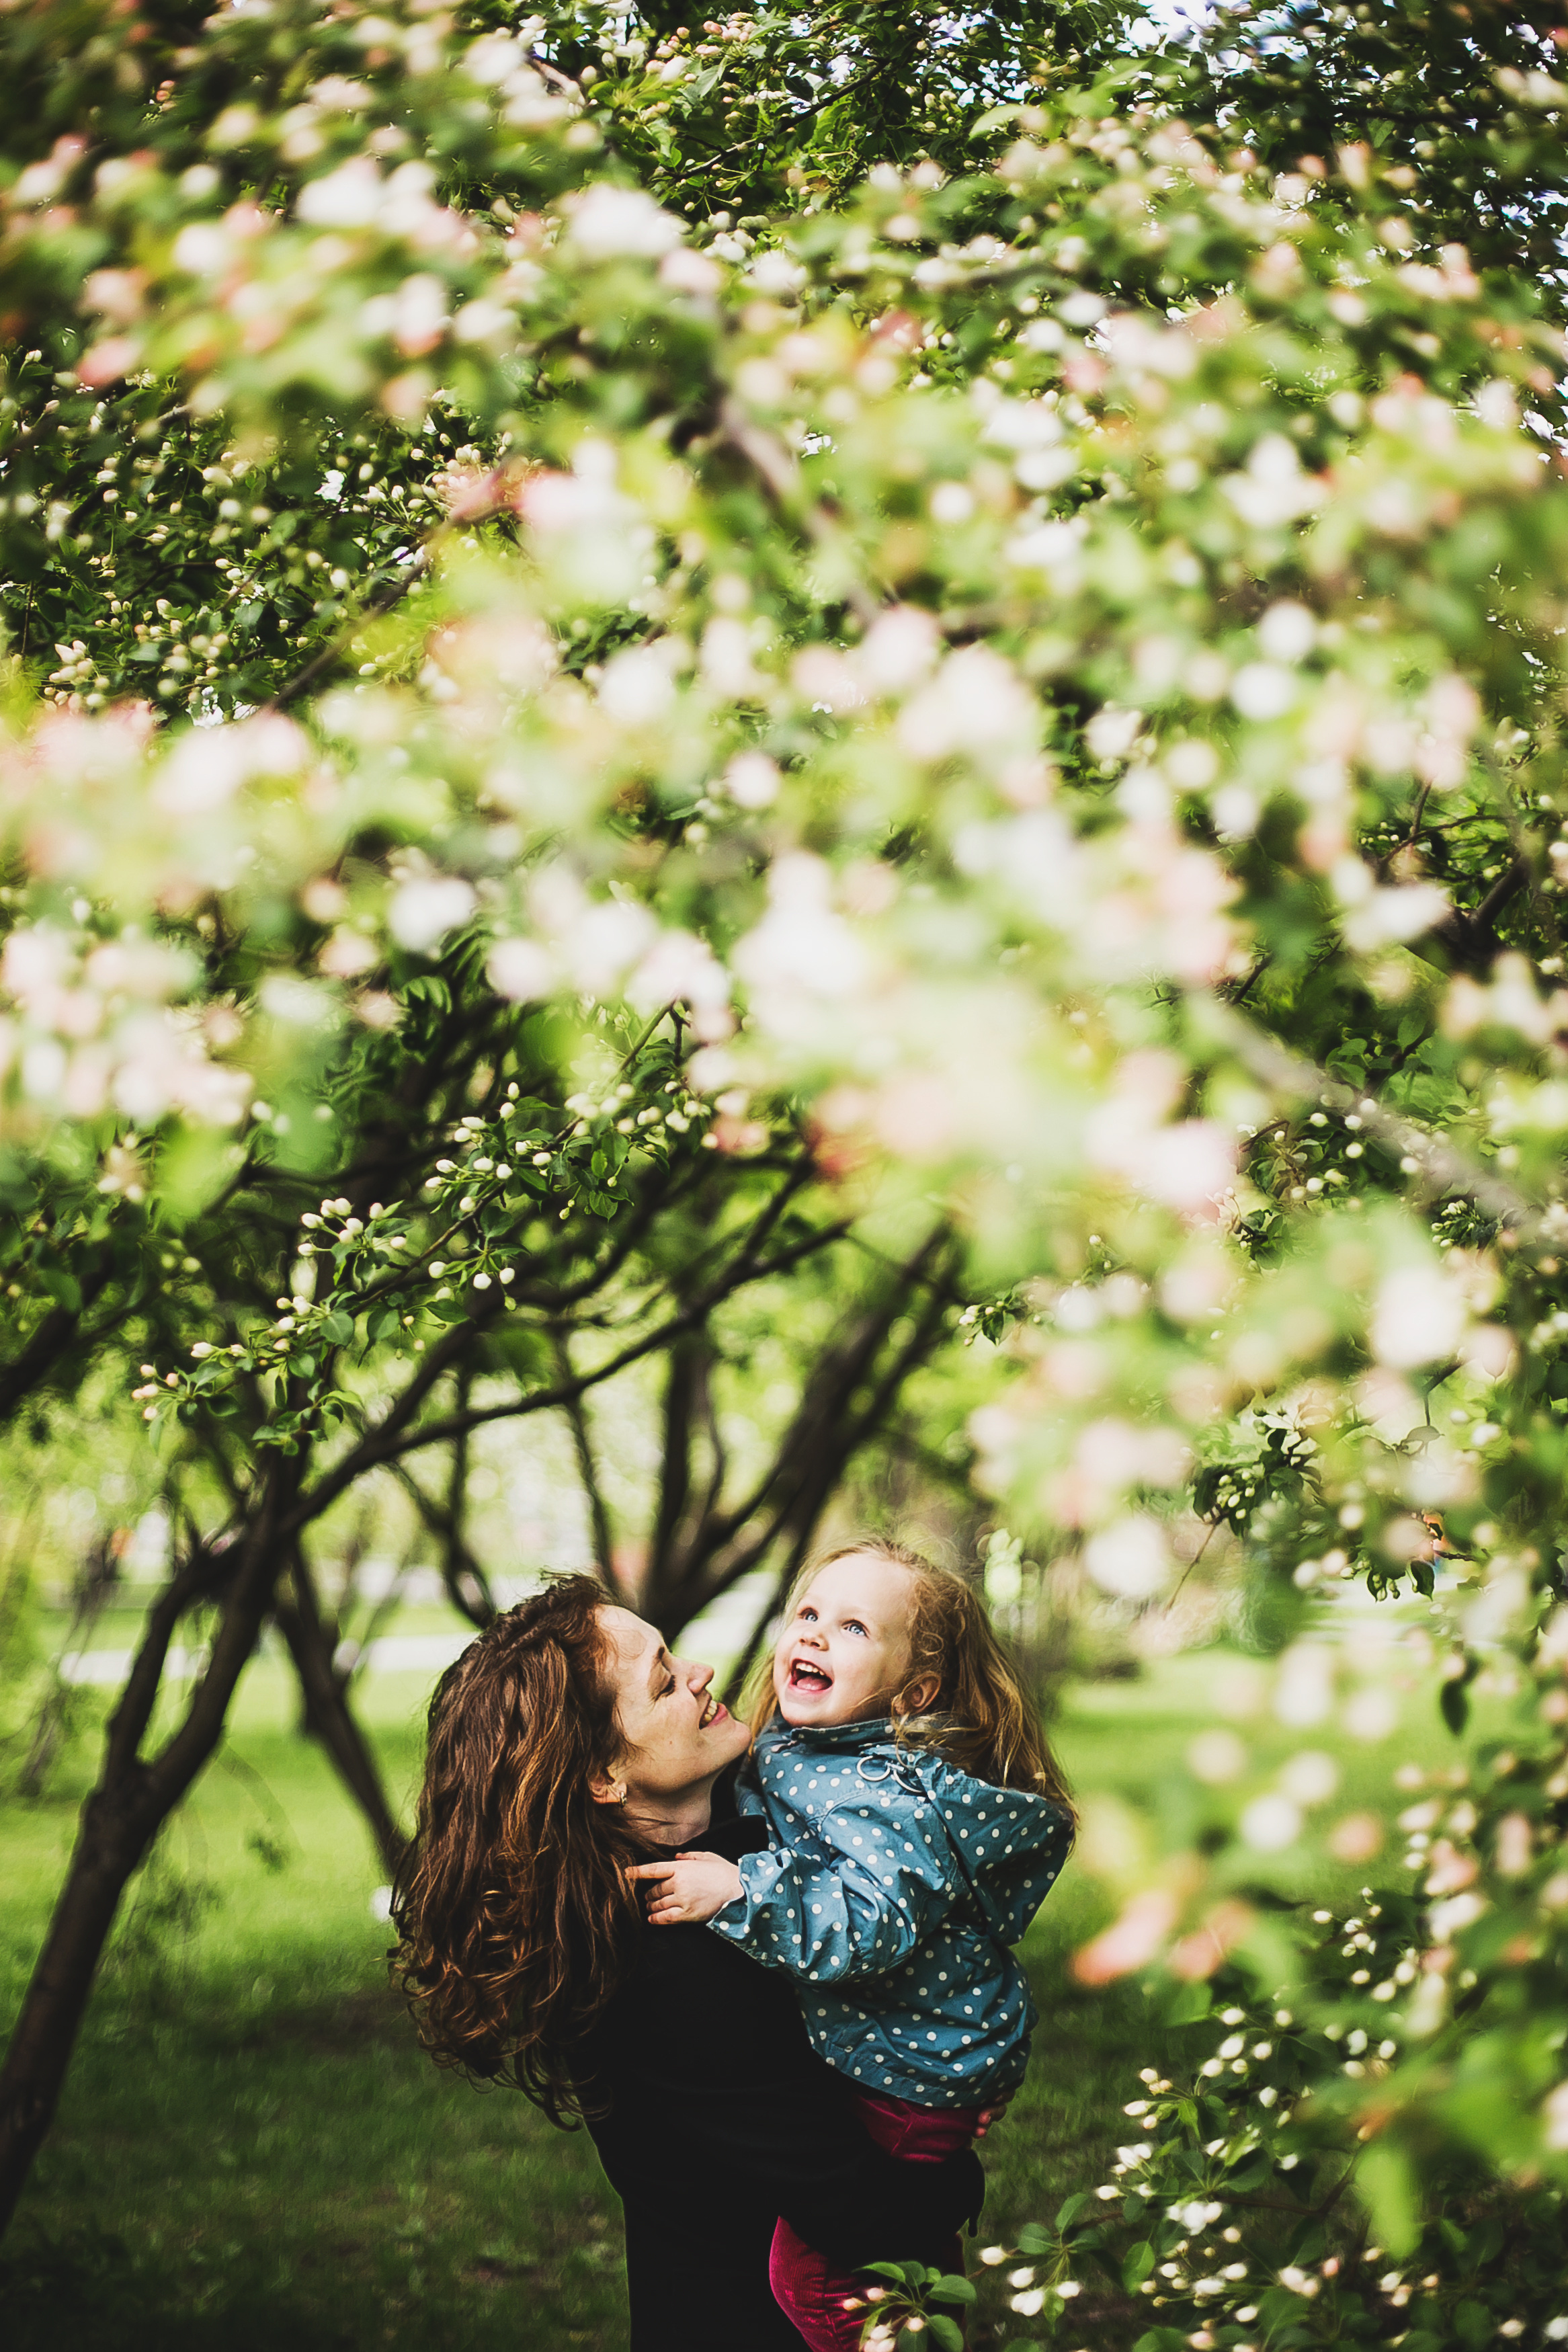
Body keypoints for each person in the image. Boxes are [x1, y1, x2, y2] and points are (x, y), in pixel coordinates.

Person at [388, 1572, 985, 2351]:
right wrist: (954, 2162)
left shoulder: (751, 1844)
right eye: (663, 1681)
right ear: (603, 1776)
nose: (699, 1673)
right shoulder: (663, 1970)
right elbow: (856, 2208)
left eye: (674, 1655)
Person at [630, 1539, 1075, 2352]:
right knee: (910, 2265)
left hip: (915, 2070)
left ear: (914, 1692)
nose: (814, 1635)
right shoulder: (815, 1751)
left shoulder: (881, 1793)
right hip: (903, 2060)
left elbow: (866, 1924)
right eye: (806, 1612)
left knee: (823, 2280)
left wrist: (738, 1890)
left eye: (852, 1627)